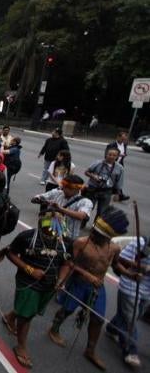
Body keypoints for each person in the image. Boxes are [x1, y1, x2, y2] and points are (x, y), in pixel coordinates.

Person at [48, 207, 133, 371]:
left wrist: (128, 273)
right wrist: (86, 275)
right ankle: (54, 329)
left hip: (97, 287)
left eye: (98, 234)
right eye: (94, 231)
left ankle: (90, 350)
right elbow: (69, 263)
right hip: (78, 283)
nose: (93, 234)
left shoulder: (114, 248)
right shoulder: (82, 243)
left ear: (107, 237)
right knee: (67, 310)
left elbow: (116, 265)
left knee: (98, 319)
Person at [3, 211, 74, 369]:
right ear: (41, 226)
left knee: (31, 309)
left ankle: (10, 317)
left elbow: (67, 263)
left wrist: (61, 280)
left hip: (49, 285)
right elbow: (10, 253)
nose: (52, 233)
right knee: (27, 315)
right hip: (27, 282)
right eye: (49, 230)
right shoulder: (26, 237)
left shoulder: (66, 242)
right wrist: (29, 270)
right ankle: (20, 346)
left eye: (55, 230)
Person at [105, 236, 149, 368]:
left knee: (134, 316)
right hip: (130, 285)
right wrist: (142, 268)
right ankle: (131, 351)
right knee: (131, 320)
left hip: (147, 291)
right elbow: (119, 260)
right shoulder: (141, 243)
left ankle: (112, 328)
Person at [31, 175, 93, 240]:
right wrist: (41, 200)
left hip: (67, 237)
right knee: (24, 237)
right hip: (47, 231)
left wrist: (60, 209)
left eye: (69, 188)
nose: (65, 189)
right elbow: (35, 198)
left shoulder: (85, 202)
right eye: (64, 186)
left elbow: (81, 216)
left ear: (78, 189)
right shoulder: (57, 192)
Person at [83, 147, 124, 220]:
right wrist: (93, 176)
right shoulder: (98, 163)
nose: (111, 156)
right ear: (106, 154)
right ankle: (82, 223)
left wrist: (118, 194)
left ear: (117, 156)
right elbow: (86, 172)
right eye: (110, 154)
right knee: (88, 208)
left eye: (114, 155)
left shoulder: (120, 168)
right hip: (93, 189)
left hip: (107, 191)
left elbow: (119, 182)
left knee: (102, 212)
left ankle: (95, 228)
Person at [105, 131, 130, 201]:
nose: (123, 141)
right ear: (118, 137)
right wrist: (118, 155)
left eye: (124, 139)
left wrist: (124, 155)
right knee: (109, 178)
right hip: (111, 164)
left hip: (119, 164)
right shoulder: (111, 145)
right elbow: (106, 155)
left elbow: (124, 153)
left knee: (118, 179)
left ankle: (119, 195)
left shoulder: (124, 145)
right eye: (122, 139)